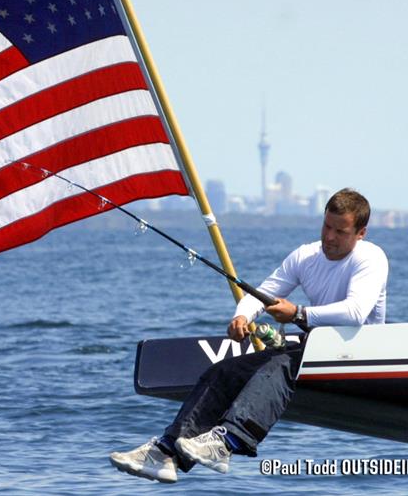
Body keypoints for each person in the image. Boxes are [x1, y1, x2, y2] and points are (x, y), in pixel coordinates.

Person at [109, 188, 388, 483]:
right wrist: (242, 316)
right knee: (224, 371)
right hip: (317, 349)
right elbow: (262, 294)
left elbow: (355, 312)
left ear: (361, 233)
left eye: (340, 232)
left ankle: (229, 441)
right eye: (326, 226)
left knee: (278, 365)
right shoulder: (305, 256)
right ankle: (167, 452)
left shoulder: (371, 258)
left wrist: (298, 314)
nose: (329, 237)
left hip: (361, 355)